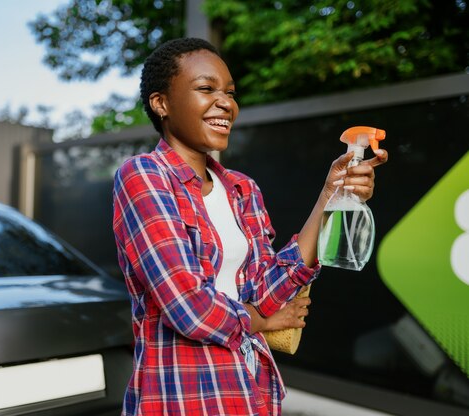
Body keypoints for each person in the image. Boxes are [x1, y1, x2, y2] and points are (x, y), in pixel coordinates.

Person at [112, 37, 388, 416]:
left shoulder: (242, 189)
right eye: (206, 88)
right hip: (183, 397)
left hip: (249, 390)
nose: (226, 102)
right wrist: (263, 320)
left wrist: (331, 193)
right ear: (161, 103)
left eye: (230, 92)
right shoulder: (143, 175)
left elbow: (267, 288)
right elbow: (188, 307)